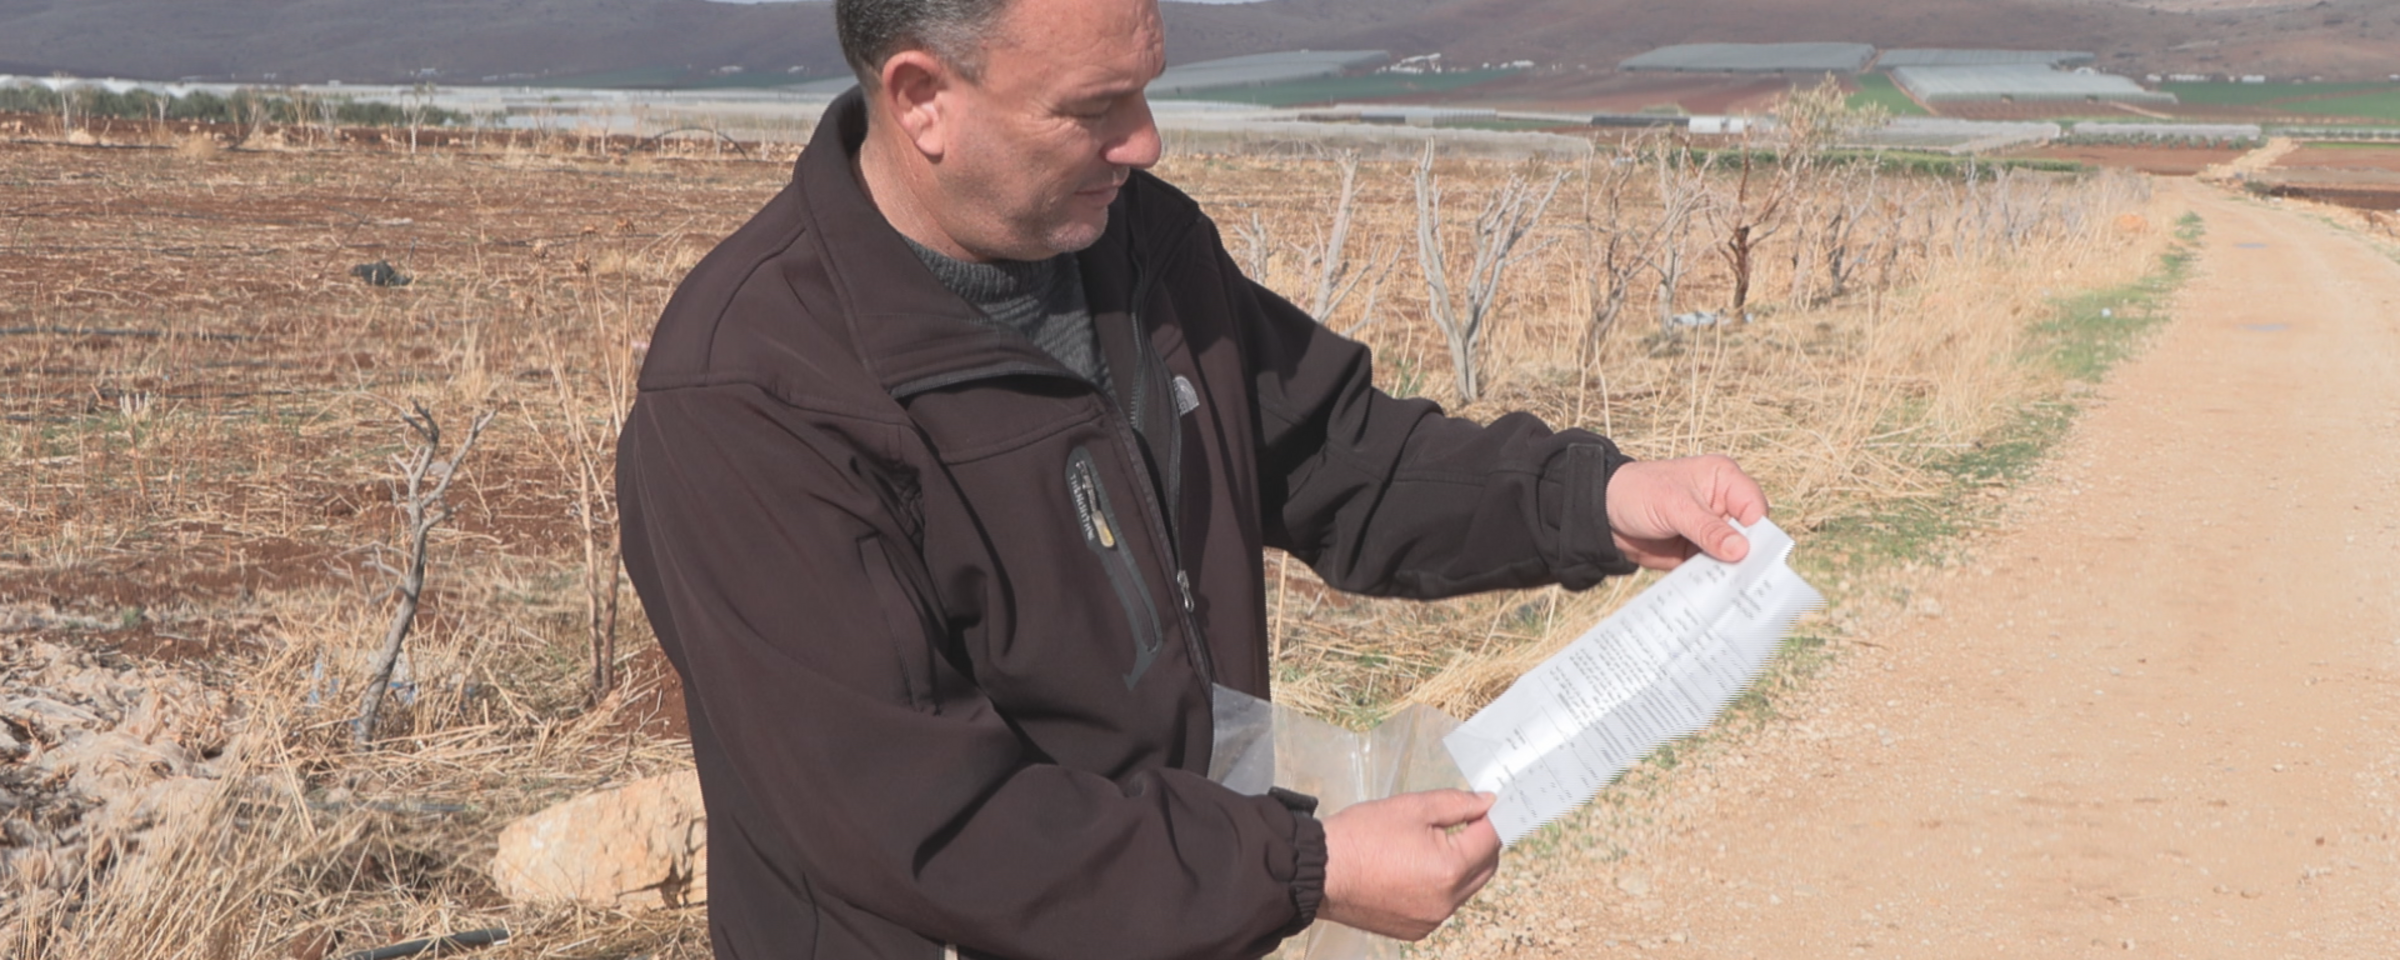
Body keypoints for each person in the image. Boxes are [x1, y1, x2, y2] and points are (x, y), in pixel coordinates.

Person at [614, 0, 1769, 956]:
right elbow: (928, 824)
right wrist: (1302, 867)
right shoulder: (752, 400)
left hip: (1176, 920)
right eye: (1093, 110)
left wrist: (1596, 501)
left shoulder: (1142, 251)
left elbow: (1339, 454)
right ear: (923, 100)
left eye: (1146, 89)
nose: (1146, 143)